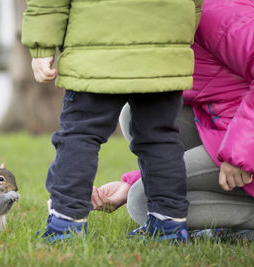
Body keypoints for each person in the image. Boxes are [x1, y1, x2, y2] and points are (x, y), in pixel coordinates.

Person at [22, 0, 203, 242]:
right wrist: (176, 39)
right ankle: (168, 225)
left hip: (95, 53)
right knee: (160, 138)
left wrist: (41, 47)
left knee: (81, 134)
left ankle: (65, 223)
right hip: (162, 52)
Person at [92, 0, 254, 234]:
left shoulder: (215, 15)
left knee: (147, 202)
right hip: (227, 129)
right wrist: (130, 182)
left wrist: (240, 152)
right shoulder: (162, 26)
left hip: (244, 143)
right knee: (139, 113)